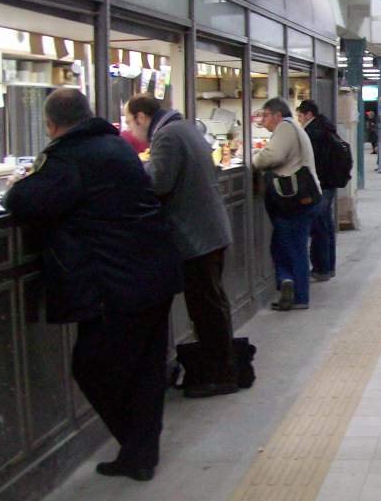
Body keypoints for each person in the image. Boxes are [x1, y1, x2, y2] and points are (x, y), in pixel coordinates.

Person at [4, 89, 182, 482]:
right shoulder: (114, 146)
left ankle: (136, 449)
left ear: (51, 125)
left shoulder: (70, 157)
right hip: (152, 272)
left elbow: (25, 201)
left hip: (116, 283)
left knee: (91, 366)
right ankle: (141, 453)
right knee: (146, 370)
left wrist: (21, 182)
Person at [124, 94, 238, 398]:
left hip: (196, 236)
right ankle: (221, 368)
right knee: (212, 304)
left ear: (140, 116)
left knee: (205, 307)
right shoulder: (184, 128)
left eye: (128, 121)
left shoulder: (167, 136)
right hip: (209, 232)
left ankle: (220, 374)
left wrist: (137, 169)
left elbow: (159, 183)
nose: (130, 128)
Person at [253, 97, 320, 311]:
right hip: (297, 199)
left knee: (293, 247)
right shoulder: (293, 128)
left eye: (265, 115)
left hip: (293, 201)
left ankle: (298, 294)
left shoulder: (285, 128)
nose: (263, 120)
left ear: (277, 115)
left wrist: (254, 159)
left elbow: (272, 157)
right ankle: (287, 282)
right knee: (286, 245)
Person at [296, 99, 337, 282]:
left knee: (319, 227)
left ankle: (321, 268)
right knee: (326, 226)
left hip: (321, 184)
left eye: (300, 116)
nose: (299, 120)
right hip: (330, 182)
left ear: (308, 115)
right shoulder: (326, 126)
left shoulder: (313, 132)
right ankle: (328, 266)